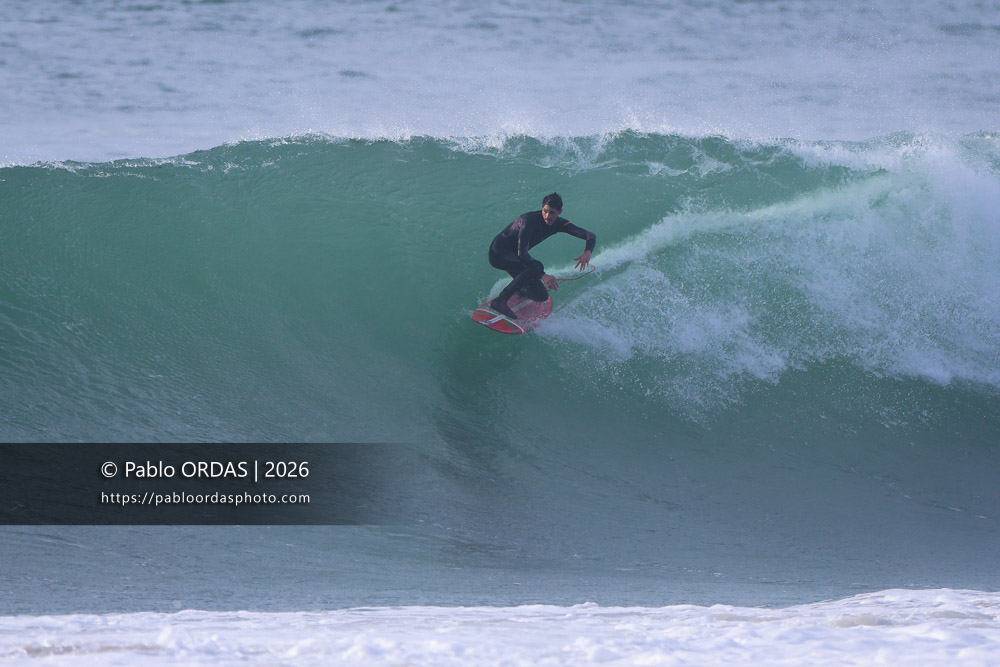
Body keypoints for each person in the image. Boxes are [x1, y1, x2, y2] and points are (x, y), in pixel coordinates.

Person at [488, 192, 596, 319]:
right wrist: (543, 276)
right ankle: (500, 300)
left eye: (552, 213)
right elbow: (522, 253)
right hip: (499, 253)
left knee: (541, 295)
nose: (547, 216)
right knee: (536, 267)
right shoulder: (528, 221)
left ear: (559, 212)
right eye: (545, 211)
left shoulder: (559, 224)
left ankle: (519, 289)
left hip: (515, 257)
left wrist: (588, 251)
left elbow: (590, 235)